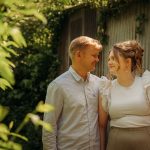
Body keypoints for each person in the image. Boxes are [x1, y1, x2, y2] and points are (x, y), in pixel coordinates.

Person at [42, 36, 103, 150]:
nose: (97, 59)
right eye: (94, 55)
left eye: (97, 55)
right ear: (78, 55)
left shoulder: (99, 83)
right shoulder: (58, 86)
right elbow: (49, 127)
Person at [99, 40, 150, 150]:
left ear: (127, 62)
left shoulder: (146, 84)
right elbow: (102, 126)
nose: (109, 62)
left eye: (113, 58)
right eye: (109, 59)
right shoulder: (107, 88)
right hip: (116, 143)